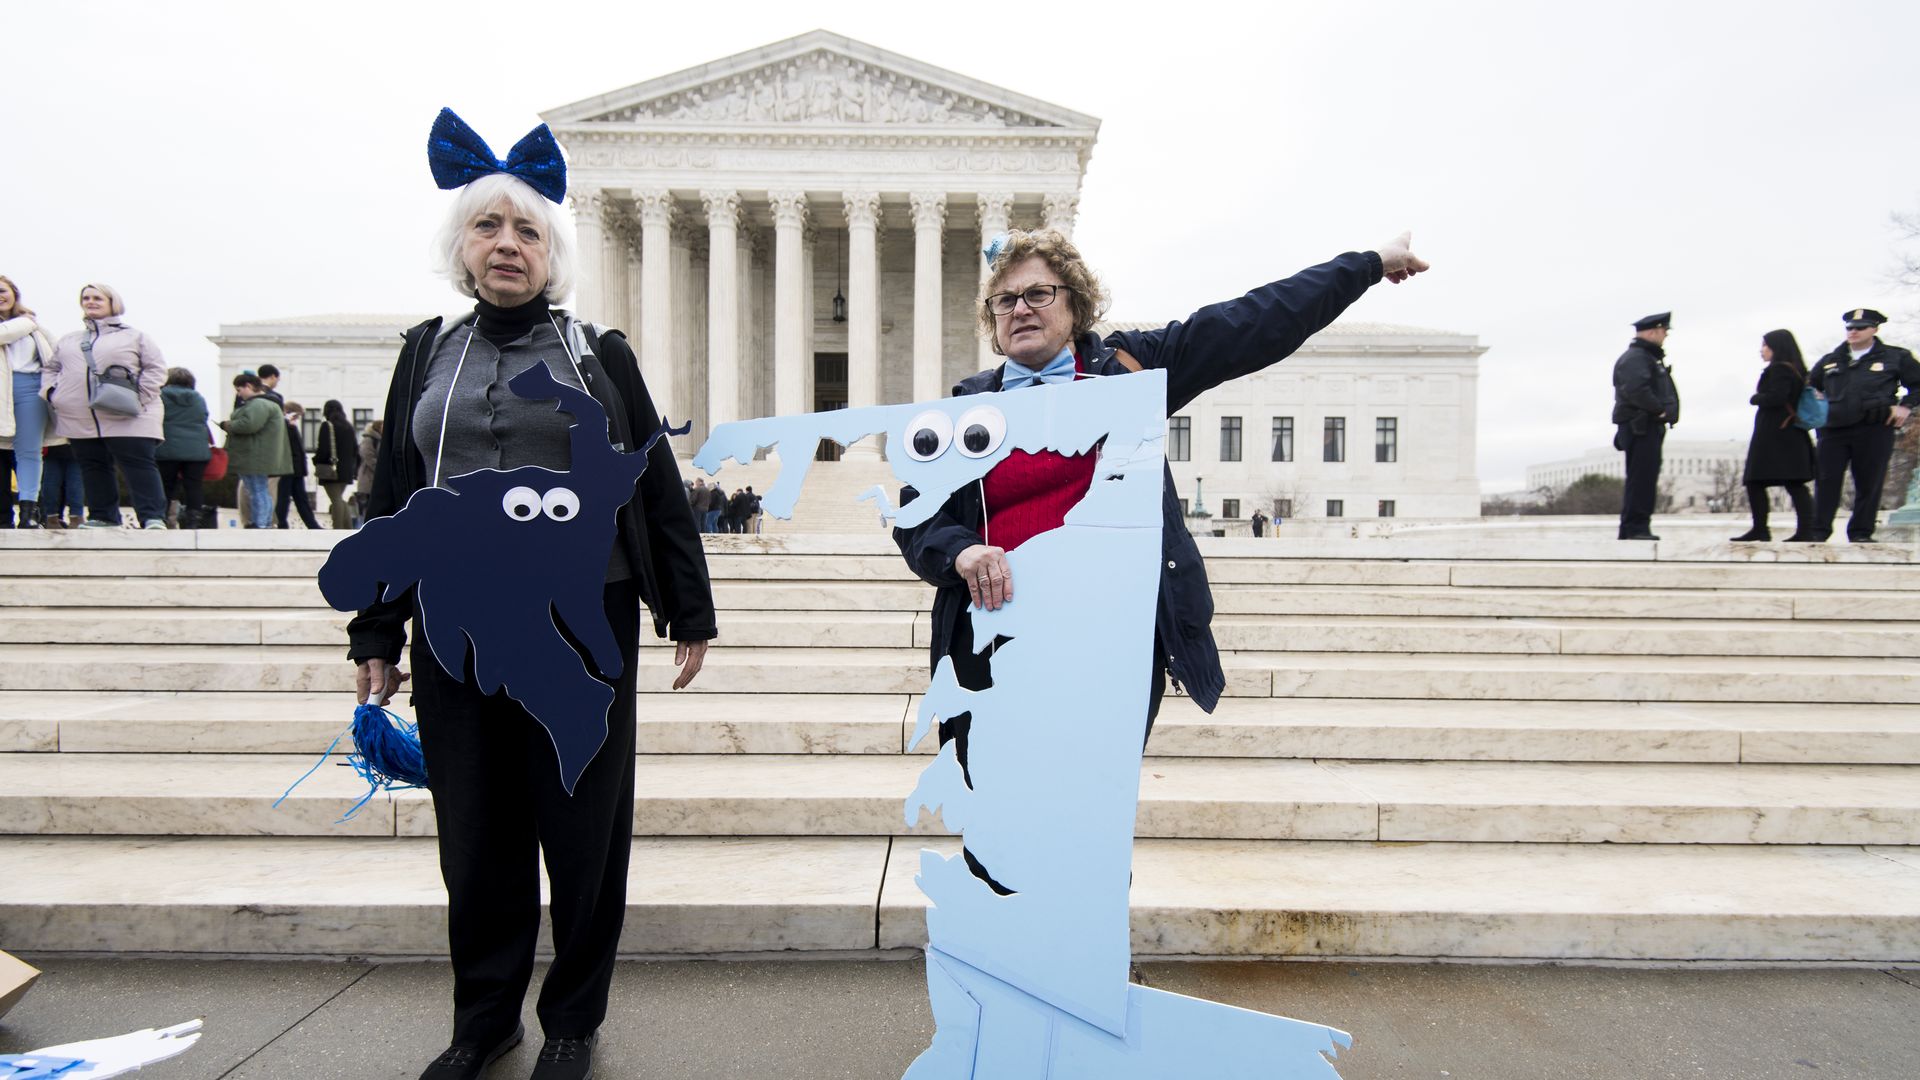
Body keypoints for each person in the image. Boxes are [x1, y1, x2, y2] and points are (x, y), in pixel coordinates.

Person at [348, 110, 715, 1080]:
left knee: (582, 828)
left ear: (553, 254)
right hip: (455, 620)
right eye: (488, 228)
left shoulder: (599, 353)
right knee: (476, 833)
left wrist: (690, 605)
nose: (507, 245)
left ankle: (573, 1019)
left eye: (528, 231)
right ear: (460, 247)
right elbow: (393, 494)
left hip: (581, 618)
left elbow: (656, 486)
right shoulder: (426, 353)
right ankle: (484, 1021)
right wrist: (375, 626)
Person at [895, 227, 1427, 792]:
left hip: (1108, 646)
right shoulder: (966, 410)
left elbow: (1251, 322)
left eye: (1038, 294)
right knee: (996, 824)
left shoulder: (1129, 370)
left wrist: (1368, 264)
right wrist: (960, 551)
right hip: (992, 647)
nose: (1020, 309)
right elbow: (916, 515)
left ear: (1075, 303)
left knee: (1090, 819)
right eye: (1005, 300)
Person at [41, 284, 170, 529]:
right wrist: (53, 393)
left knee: (138, 465)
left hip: (130, 415)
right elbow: (51, 368)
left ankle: (153, 517)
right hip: (81, 416)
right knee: (92, 466)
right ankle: (103, 516)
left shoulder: (135, 336)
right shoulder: (68, 340)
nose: (91, 302)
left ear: (113, 302)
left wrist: (141, 397)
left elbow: (156, 368)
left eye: (97, 297)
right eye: (86, 298)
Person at [1807, 309, 1920, 543]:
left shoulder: (1895, 357)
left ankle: (1860, 532)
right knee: (1827, 480)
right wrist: (1815, 399)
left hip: (1874, 427)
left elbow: (1918, 385)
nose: (1854, 332)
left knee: (1869, 481)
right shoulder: (1831, 360)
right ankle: (1818, 531)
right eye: (1850, 327)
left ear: (1875, 329)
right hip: (1833, 429)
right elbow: (1810, 385)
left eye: (1860, 327)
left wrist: (1905, 406)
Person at [1731, 330, 1816, 542]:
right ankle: (1804, 529)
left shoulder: (1780, 369)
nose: (1762, 350)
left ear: (1776, 347)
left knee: (1756, 481)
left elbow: (1777, 397)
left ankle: (1763, 528)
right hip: (1788, 432)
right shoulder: (1796, 369)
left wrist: (1756, 398)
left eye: (1765, 345)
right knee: (1793, 483)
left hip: (1776, 434)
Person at [1611, 312, 1679, 541]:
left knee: (1643, 477)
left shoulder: (1645, 357)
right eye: (1663, 331)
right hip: (1641, 426)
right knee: (1641, 478)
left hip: (1644, 425)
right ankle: (1636, 528)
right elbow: (1636, 389)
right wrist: (1659, 409)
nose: (1666, 336)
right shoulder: (1637, 358)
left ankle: (1634, 527)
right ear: (1653, 331)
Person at [0, 276, 56, 527]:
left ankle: (29, 512)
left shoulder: (38, 329)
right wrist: (26, 322)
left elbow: (54, 355)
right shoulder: (28, 323)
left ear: (14, 293)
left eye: (3, 291)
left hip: (31, 388)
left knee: (29, 452)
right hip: (3, 388)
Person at [219, 373, 290, 528]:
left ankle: (261, 523)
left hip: (254, 457)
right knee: (260, 490)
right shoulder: (268, 404)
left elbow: (249, 425)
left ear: (249, 386)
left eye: (239, 390)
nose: (239, 394)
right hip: (259, 456)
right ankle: (263, 522)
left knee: (258, 490)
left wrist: (228, 425)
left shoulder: (259, 404)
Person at [154, 368, 214, 529]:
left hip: (167, 448)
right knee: (194, 486)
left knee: (166, 485)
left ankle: (161, 518)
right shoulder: (198, 398)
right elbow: (204, 417)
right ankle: (193, 520)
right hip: (196, 450)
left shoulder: (160, 396)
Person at [274, 401, 324, 529]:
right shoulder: (285, 426)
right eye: (296, 416)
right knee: (284, 498)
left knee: (301, 499)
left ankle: (312, 525)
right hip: (288, 468)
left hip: (296, 469)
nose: (297, 420)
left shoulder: (290, 426)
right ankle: (281, 523)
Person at [313, 399, 360, 529]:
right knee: (339, 498)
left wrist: (316, 461)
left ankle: (337, 528)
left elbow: (323, 450)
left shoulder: (327, 426)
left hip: (331, 470)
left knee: (336, 499)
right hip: (346, 471)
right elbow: (355, 450)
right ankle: (347, 528)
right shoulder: (349, 427)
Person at [38, 439, 84, 528]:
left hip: (52, 444)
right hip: (75, 444)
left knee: (51, 482)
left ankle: (51, 518)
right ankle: (76, 518)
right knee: (75, 484)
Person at [353, 419, 381, 525]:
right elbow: (368, 456)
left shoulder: (378, 439)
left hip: (373, 480)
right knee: (365, 509)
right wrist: (379, 469)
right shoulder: (369, 439)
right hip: (367, 480)